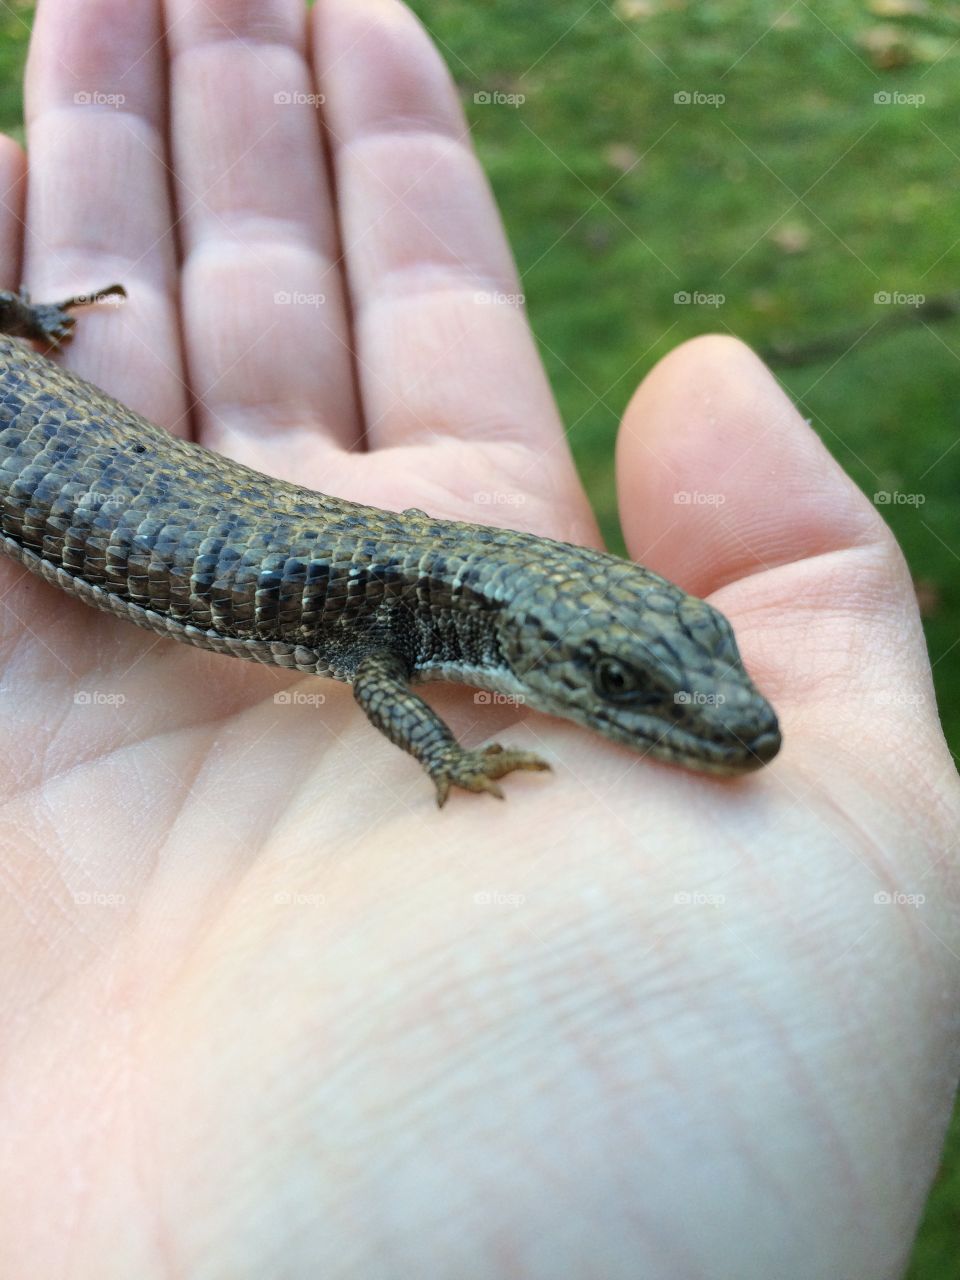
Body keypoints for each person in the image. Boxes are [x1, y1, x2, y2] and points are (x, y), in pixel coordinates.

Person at [1, 0, 956, 1275]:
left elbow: (387, 667)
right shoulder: (409, 626)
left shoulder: (435, 608)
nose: (728, 719)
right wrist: (450, 765)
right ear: (547, 649)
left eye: (675, 666)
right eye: (625, 687)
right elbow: (379, 687)